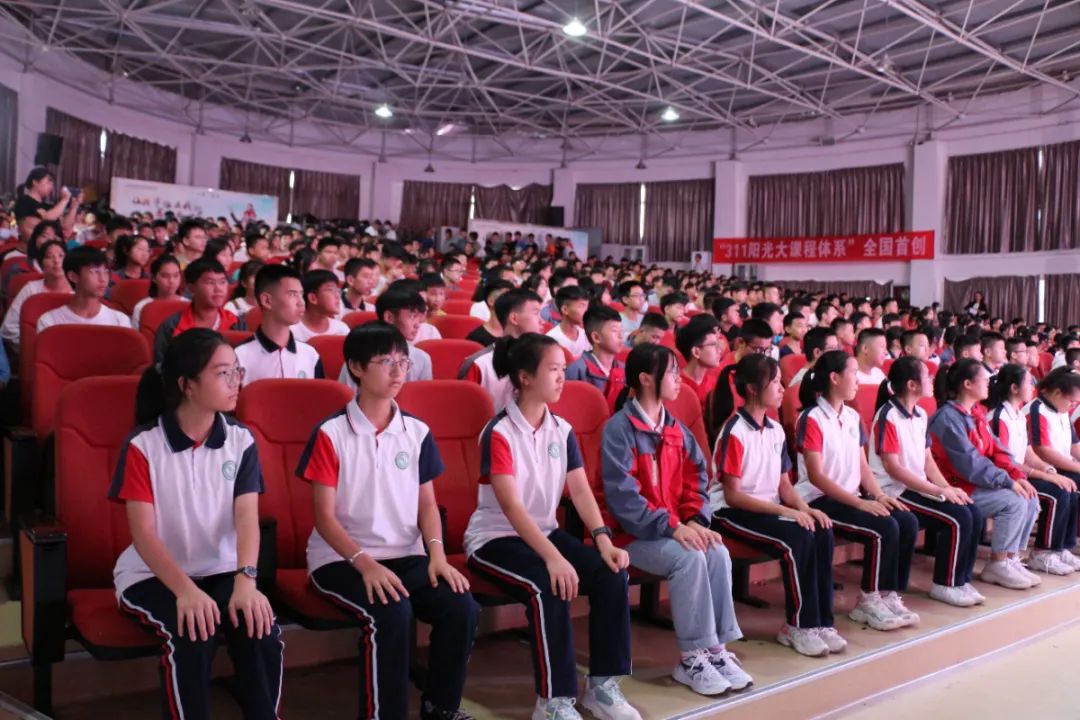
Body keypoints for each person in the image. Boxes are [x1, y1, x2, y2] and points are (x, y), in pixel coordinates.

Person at [299, 322, 479, 720]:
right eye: (386, 362)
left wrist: (437, 556)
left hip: (407, 555)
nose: (399, 372)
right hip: (341, 559)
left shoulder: (416, 431)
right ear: (356, 367)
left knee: (461, 607)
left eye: (403, 361)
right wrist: (365, 564)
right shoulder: (331, 433)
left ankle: (441, 707)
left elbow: (427, 506)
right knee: (392, 612)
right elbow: (324, 518)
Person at [465, 334, 641, 720]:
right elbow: (511, 507)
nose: (563, 377)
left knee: (611, 573)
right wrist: (554, 558)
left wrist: (603, 540)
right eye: (554, 369)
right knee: (549, 585)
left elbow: (579, 489)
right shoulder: (499, 432)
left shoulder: (561, 429)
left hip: (543, 533)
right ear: (525, 377)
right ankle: (553, 701)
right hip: (495, 539)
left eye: (564, 368)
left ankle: (602, 686)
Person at [110, 328, 283, 719]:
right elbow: (143, 534)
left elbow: (247, 518)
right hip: (152, 575)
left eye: (237, 370)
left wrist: (246, 582)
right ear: (187, 384)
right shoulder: (143, 445)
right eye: (223, 373)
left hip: (222, 569)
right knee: (191, 633)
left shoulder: (241, 439)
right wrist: (186, 591)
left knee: (260, 628)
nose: (236, 381)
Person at [601, 343, 751, 693]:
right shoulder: (619, 430)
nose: (678, 379)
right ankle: (691, 658)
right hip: (630, 536)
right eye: (671, 372)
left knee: (717, 551)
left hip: (673, 528)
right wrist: (673, 526)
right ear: (645, 379)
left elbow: (697, 479)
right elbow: (624, 499)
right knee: (690, 559)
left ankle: (716, 650)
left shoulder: (675, 429)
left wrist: (695, 520)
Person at [710, 354, 842, 658]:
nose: (783, 389)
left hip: (764, 508)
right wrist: (786, 512)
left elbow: (784, 485)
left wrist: (806, 509)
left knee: (821, 528)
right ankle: (798, 626)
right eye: (776, 383)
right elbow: (733, 495)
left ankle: (822, 621)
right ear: (753, 388)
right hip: (729, 512)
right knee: (797, 538)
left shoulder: (776, 429)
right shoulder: (734, 431)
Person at [794, 350, 919, 631]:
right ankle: (868, 600)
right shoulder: (811, 418)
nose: (858, 380)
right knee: (884, 527)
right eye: (853, 373)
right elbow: (816, 476)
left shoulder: (852, 416)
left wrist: (879, 495)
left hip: (850, 497)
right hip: (818, 499)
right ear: (834, 378)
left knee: (906, 520)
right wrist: (860, 504)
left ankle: (888, 594)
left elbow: (863, 466)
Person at [868, 357, 984, 607]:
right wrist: (935, 490)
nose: (932, 380)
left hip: (917, 487)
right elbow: (893, 468)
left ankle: (961, 580)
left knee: (971, 510)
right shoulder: (888, 416)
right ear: (912, 385)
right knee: (958, 517)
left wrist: (947, 488)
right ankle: (946, 583)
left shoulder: (921, 414)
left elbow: (928, 461)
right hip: (894, 489)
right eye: (926, 376)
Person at [929, 360, 1041, 590]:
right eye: (984, 379)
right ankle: (997, 564)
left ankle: (1010, 557)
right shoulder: (948, 418)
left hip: (975, 482)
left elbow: (997, 449)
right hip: (958, 486)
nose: (989, 383)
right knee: (1013, 501)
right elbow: (970, 464)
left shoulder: (976, 413)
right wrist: (1006, 481)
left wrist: (1016, 475)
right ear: (967, 384)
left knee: (1029, 496)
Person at [986, 364, 1078, 576]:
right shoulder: (1002, 416)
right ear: (1014, 388)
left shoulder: (1017, 414)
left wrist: (1048, 470)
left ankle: (1059, 548)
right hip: (1006, 477)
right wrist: (1045, 474)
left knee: (1068, 487)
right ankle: (1042, 553)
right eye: (1029, 383)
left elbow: (1027, 452)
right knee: (1057, 493)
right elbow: (1005, 462)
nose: (1034, 387)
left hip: (1021, 473)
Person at [1022, 367, 1080, 571]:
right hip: (1035, 470)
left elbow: (1074, 445)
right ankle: (1043, 552)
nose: (1073, 406)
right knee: (1063, 490)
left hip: (1058, 467)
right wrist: (1077, 467)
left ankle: (1063, 546)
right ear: (1056, 393)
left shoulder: (1061, 411)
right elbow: (1042, 451)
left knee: (1074, 486)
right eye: (1072, 402)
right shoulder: (1036, 410)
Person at [235, 265, 323, 385]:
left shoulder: (310, 355)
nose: (301, 302)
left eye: (301, 295)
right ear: (267, 301)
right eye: (292, 294)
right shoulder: (239, 356)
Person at [458, 288, 542, 413]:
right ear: (514, 318)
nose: (542, 321)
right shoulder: (479, 365)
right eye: (536, 313)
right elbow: (464, 414)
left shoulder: (547, 360)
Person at [338, 284, 433, 390]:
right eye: (412, 316)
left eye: (419, 318)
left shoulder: (422, 359)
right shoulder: (360, 357)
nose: (417, 324)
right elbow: (348, 397)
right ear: (389, 317)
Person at [153, 259, 242, 366]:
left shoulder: (236, 323)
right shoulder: (172, 326)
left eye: (222, 282)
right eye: (210, 282)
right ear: (192, 289)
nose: (218, 288)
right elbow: (161, 367)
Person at [36, 247, 131, 332]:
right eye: (95, 271)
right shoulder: (50, 322)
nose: (103, 278)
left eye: (106, 271)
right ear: (73, 277)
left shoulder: (119, 321)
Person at [1, 239, 71, 348]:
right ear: (40, 264)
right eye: (49, 257)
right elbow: (9, 329)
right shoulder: (31, 289)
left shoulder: (80, 290)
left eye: (61, 256)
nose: (56, 260)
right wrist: (36, 347)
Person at [565, 306, 626, 412]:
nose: (621, 336)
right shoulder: (576, 371)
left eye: (622, 330)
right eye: (615, 331)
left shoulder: (623, 369)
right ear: (596, 337)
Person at [676, 314, 724, 409]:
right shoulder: (677, 386)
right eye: (713, 345)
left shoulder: (716, 382)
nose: (719, 350)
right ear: (696, 352)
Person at [291, 269, 349, 343]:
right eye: (331, 290)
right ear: (313, 298)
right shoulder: (291, 331)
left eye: (337, 291)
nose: (337, 296)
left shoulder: (341, 330)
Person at [133, 255, 188, 330]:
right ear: (154, 278)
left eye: (176, 275)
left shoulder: (188, 305)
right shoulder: (142, 306)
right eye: (165, 276)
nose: (171, 281)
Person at [545, 285, 591, 359]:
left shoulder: (587, 334)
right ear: (565, 310)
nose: (586, 312)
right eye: (581, 306)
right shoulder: (551, 340)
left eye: (587, 307)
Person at [466, 280, 513, 347]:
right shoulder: (476, 338)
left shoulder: (518, 335)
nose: (511, 302)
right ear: (491, 301)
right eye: (505, 298)